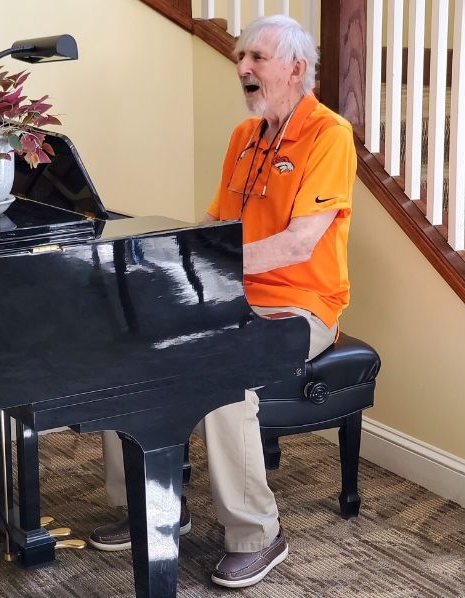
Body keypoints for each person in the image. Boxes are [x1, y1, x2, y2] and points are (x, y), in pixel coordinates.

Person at [89, 14, 357, 589]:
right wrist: (170, 267)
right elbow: (216, 225)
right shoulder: (244, 136)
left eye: (256, 58)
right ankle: (152, 505)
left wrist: (208, 267)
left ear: (296, 68)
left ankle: (258, 534)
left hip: (301, 306)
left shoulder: (329, 135)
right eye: (241, 58)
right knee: (125, 348)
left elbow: (298, 242)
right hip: (232, 296)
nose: (242, 69)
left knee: (221, 374)